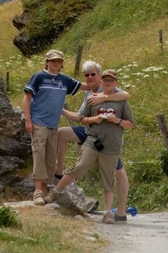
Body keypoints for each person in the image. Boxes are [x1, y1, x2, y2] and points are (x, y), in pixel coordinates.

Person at [44, 69, 133, 223]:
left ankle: (115, 212)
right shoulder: (90, 96)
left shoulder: (119, 97)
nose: (90, 77)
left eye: (93, 74)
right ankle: (56, 184)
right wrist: (90, 118)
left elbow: (127, 105)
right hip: (92, 137)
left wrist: (114, 119)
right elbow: (81, 118)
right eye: (87, 75)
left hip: (111, 143)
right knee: (75, 160)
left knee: (113, 176)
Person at [22, 49, 88, 206]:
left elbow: (83, 86)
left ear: (62, 64)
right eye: (53, 61)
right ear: (47, 62)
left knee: (51, 157)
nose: (55, 63)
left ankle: (44, 192)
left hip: (53, 125)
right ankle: (37, 191)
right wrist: (28, 120)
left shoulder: (64, 80)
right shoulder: (39, 76)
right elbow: (27, 98)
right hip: (38, 122)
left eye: (58, 61)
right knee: (39, 154)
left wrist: (101, 84)